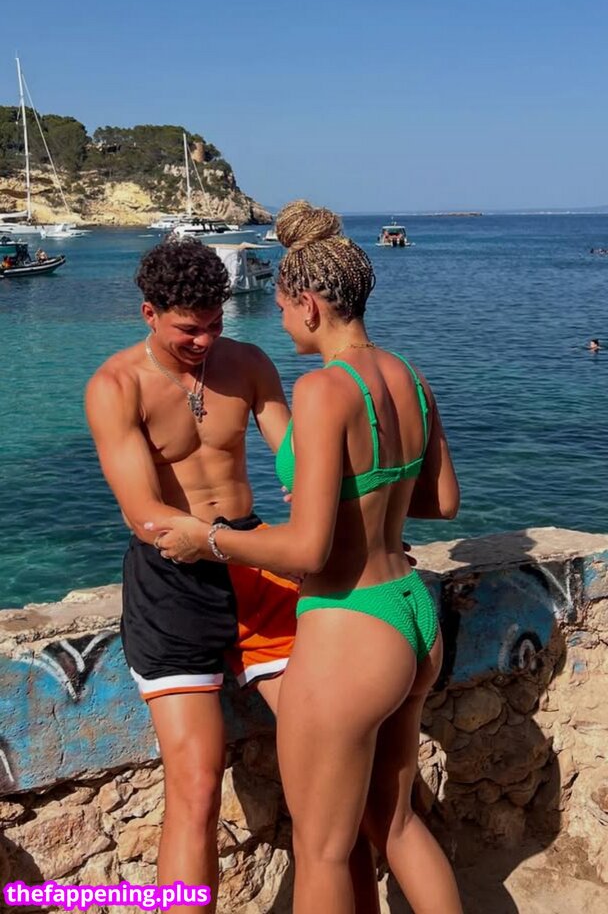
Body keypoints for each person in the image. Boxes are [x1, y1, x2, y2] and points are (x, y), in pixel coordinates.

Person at [147, 203, 463, 914]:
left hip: (351, 626)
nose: (281, 321)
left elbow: (306, 550)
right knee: (396, 825)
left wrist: (208, 539)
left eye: (285, 308)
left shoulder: (323, 389)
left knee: (322, 851)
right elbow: (442, 500)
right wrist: (360, 504)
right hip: (412, 613)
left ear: (310, 305)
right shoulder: (409, 376)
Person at [86, 238, 382, 914]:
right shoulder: (115, 386)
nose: (204, 341)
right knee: (195, 787)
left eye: (215, 324)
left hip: (254, 567)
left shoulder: (247, 363)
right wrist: (232, 543)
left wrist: (349, 523)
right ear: (149, 313)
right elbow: (144, 514)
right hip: (172, 586)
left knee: (330, 762)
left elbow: (300, 460)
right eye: (188, 329)